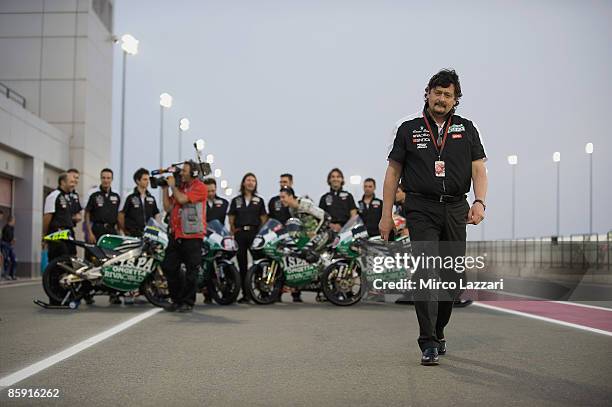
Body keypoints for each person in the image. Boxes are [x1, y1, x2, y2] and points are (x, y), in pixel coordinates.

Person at [380, 69, 487, 366]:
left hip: (456, 208)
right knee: (426, 271)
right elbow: (392, 174)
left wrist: (479, 202)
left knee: (452, 278)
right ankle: (427, 341)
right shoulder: (407, 128)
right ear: (427, 93)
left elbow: (479, 169)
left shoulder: (467, 128)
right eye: (437, 93)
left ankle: (438, 330)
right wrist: (385, 214)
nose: (441, 99)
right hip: (420, 207)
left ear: (456, 99)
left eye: (448, 95)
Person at [161, 161, 208, 312]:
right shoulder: (180, 188)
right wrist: (164, 189)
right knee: (169, 266)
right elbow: (168, 207)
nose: (181, 173)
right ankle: (176, 300)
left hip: (193, 235)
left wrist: (173, 186)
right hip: (176, 234)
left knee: (191, 271)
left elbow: (182, 200)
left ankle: (188, 302)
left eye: (184, 171)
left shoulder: (200, 187)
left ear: (193, 173)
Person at [228, 172, 267, 303]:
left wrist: (260, 234)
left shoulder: (259, 201)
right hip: (240, 234)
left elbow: (263, 219)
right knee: (242, 265)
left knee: (258, 264)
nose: (250, 182)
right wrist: (233, 231)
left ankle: (262, 292)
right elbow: (231, 218)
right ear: (243, 183)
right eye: (248, 180)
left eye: (253, 181)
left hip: (254, 234)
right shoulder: (236, 201)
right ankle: (246, 295)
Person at [43, 173, 78, 304]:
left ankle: (65, 297)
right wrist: (45, 235)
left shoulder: (67, 197)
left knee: (69, 267)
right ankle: (55, 299)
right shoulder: (54, 196)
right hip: (57, 235)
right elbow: (47, 217)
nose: (74, 183)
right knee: (57, 267)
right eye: (71, 181)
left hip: (68, 235)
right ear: (62, 182)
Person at [118, 168, 160, 237]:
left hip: (148, 234)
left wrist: (156, 228)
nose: (148, 182)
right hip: (132, 234)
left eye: (148, 179)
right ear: (138, 181)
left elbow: (156, 214)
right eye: (145, 179)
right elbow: (121, 215)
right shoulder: (129, 196)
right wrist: (124, 230)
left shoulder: (151, 197)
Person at [84, 168, 121, 243]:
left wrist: (119, 232)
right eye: (103, 178)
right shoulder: (93, 194)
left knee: (111, 254)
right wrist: (89, 233)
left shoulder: (116, 195)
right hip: (97, 230)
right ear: (100, 178)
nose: (106, 180)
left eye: (108, 178)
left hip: (111, 231)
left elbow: (119, 214)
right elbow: (87, 214)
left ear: (112, 179)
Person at [319, 168, 358, 233]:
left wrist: (345, 227)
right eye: (333, 177)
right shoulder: (324, 197)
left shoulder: (348, 196)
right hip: (328, 231)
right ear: (329, 180)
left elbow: (354, 216)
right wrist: (330, 225)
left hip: (345, 232)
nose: (335, 179)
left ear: (342, 179)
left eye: (338, 177)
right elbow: (320, 216)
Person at [1, 215, 16, 280]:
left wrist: (12, 240)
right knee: (6, 259)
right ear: (11, 220)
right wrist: (11, 240)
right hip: (5, 245)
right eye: (14, 220)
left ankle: (12, 274)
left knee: (14, 259)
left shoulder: (12, 228)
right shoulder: (6, 228)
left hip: (9, 245)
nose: (14, 222)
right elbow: (5, 237)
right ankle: (5, 274)